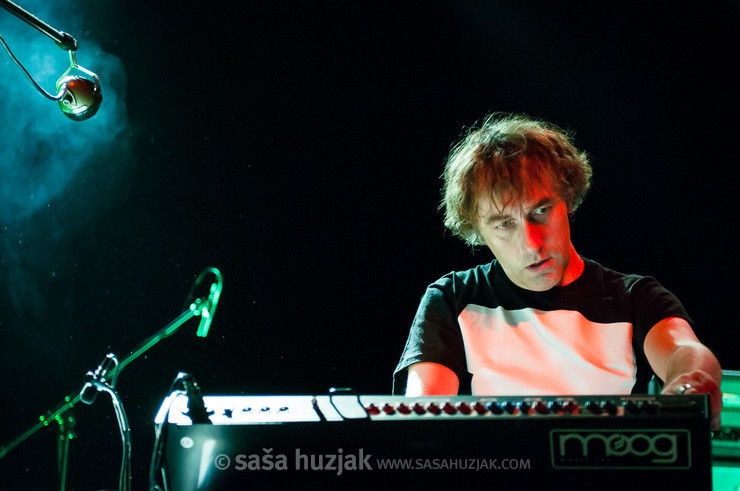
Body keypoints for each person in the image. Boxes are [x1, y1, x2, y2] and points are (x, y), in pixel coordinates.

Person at [393, 112, 722, 430]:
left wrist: (690, 384)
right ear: (477, 231)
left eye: (541, 210)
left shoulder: (636, 298)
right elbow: (424, 415)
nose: (531, 243)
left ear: (570, 199)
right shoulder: (451, 299)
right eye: (504, 224)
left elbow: (684, 350)